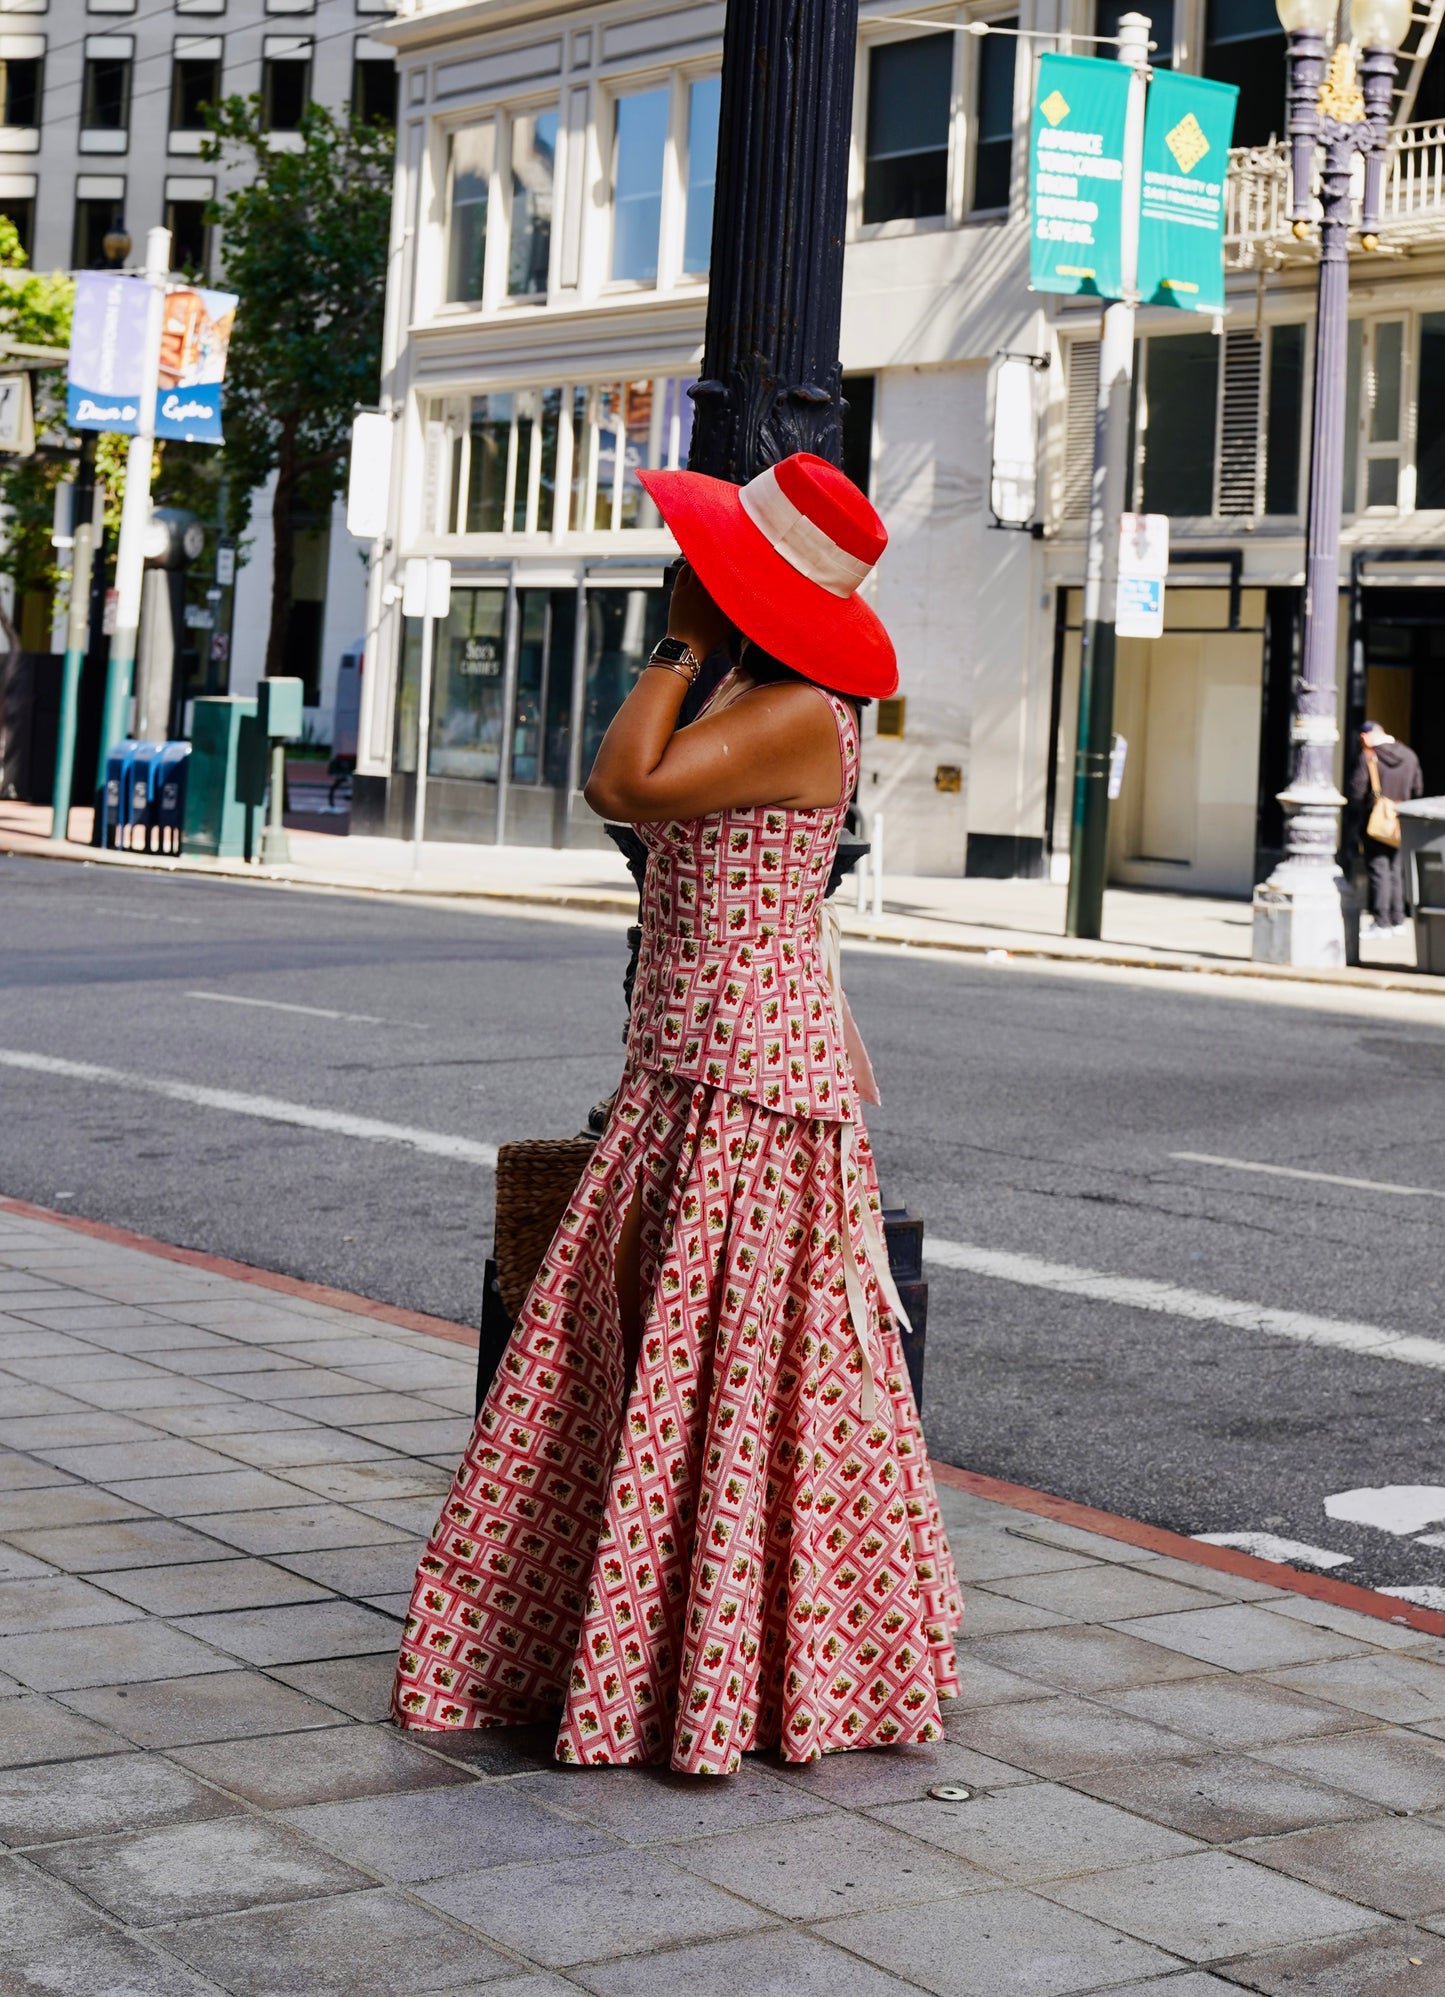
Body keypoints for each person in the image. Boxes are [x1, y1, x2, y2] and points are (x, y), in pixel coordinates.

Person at [391, 451, 961, 1775]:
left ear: (748, 596)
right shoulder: (764, 700)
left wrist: (670, 644)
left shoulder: (793, 711)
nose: (684, 575)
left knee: (719, 1386)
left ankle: (721, 1675)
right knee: (653, 1378)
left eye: (709, 571)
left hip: (745, 1089)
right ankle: (662, 1656)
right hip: (695, 1073)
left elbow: (622, 783)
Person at [1347, 720, 1423, 934]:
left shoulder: (1369, 757)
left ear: (1365, 736)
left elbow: (1357, 790)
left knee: (1379, 869)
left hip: (1376, 822)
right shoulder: (1410, 756)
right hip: (1401, 821)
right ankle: (1399, 919)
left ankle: (1381, 921)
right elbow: (1418, 788)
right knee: (1396, 871)